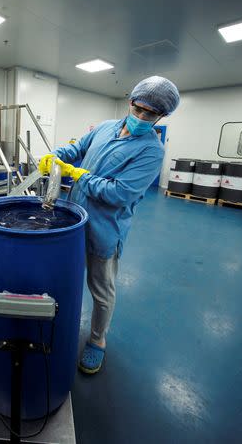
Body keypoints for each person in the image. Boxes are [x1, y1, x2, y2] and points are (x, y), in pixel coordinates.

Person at [39, 76, 180, 374]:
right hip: (72, 220)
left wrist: (78, 175)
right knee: (65, 278)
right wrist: (55, 157)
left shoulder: (152, 151)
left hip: (105, 230)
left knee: (101, 291)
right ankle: (61, 322)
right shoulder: (104, 127)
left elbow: (120, 194)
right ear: (130, 101)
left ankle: (97, 340)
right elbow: (76, 149)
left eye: (150, 114)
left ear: (161, 117)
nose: (142, 117)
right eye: (139, 108)